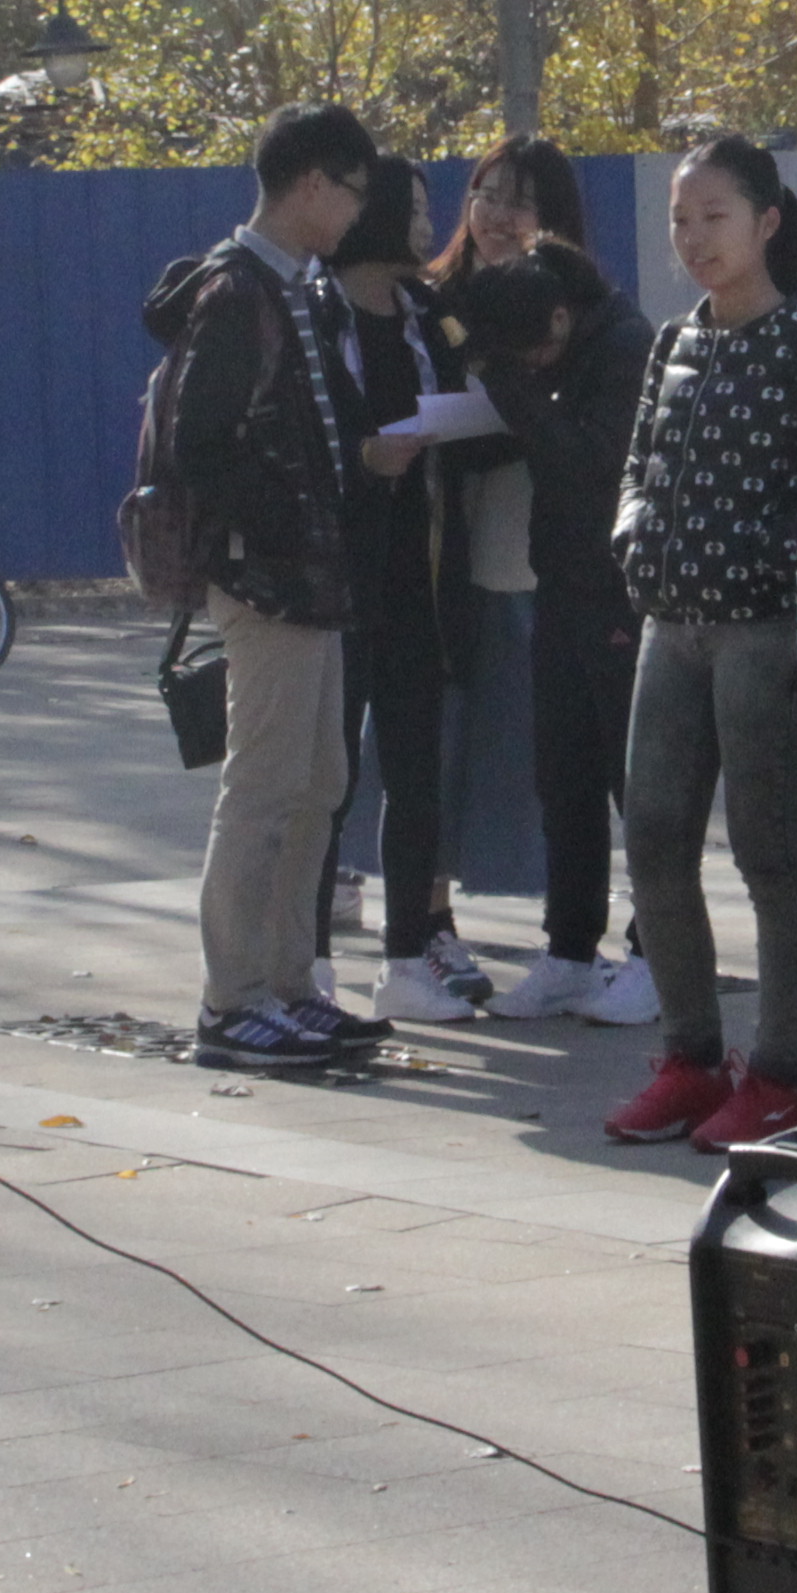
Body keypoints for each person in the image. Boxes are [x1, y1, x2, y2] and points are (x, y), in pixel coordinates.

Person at [607, 139, 797, 1146]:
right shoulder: (673, 341)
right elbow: (638, 461)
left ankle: (778, 1076)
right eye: (681, 219)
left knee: (768, 852)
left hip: (764, 633)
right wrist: (632, 532)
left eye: (716, 217)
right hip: (670, 626)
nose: (695, 238)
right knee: (655, 838)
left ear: (767, 222)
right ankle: (691, 1059)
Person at [141, 101, 385, 1071]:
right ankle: (231, 1000)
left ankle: (289, 986)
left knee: (318, 784)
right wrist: (282, 525)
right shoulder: (238, 292)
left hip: (314, 579)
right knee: (265, 788)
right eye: (353, 192)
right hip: (268, 581)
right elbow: (201, 444)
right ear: (312, 184)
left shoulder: (297, 288)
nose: (358, 213)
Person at [438, 233, 658, 1028]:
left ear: (560, 319)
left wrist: (511, 391)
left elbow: (589, 463)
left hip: (620, 595)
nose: (525, 369)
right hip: (561, 585)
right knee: (563, 780)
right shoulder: (554, 349)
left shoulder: (626, 347)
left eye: (527, 355)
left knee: (638, 787)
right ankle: (568, 954)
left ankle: (657, 955)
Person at [327, 163, 489, 1022]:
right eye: (416, 208)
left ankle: (405, 958)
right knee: (328, 773)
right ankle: (309, 965)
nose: (431, 226)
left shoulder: (427, 313)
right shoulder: (318, 311)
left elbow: (465, 393)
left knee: (416, 769)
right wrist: (364, 457)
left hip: (419, 576)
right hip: (335, 579)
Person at [427, 139, 581, 910]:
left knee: (522, 743)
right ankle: (427, 917)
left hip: (527, 549)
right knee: (438, 738)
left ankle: (561, 919)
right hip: (442, 548)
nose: (496, 214)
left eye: (518, 200)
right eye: (485, 194)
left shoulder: (572, 310)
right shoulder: (434, 303)